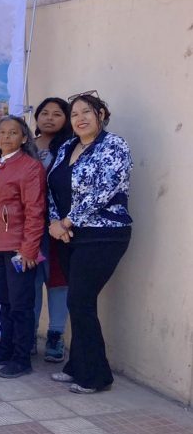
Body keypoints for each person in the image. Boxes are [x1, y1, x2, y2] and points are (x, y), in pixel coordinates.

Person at [48, 92, 132, 394]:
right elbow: (52, 187)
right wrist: (54, 223)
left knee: (80, 301)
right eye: (74, 114)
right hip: (68, 236)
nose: (80, 118)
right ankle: (77, 366)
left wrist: (68, 221)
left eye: (87, 112)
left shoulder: (114, 145)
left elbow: (104, 190)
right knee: (80, 302)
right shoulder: (67, 147)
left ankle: (97, 376)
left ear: (101, 114)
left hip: (104, 234)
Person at [0, 116, 46, 378]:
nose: (5, 137)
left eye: (12, 133)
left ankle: (21, 357)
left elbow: (35, 212)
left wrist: (28, 249)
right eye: (2, 133)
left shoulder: (29, 167)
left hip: (17, 248)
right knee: (4, 300)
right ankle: (5, 348)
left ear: (24, 138)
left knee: (20, 304)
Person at [32, 97, 73, 361]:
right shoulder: (26, 146)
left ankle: (55, 336)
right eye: (44, 113)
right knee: (31, 282)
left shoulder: (70, 147)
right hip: (30, 227)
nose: (49, 118)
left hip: (58, 227)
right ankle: (28, 334)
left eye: (57, 114)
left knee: (58, 283)